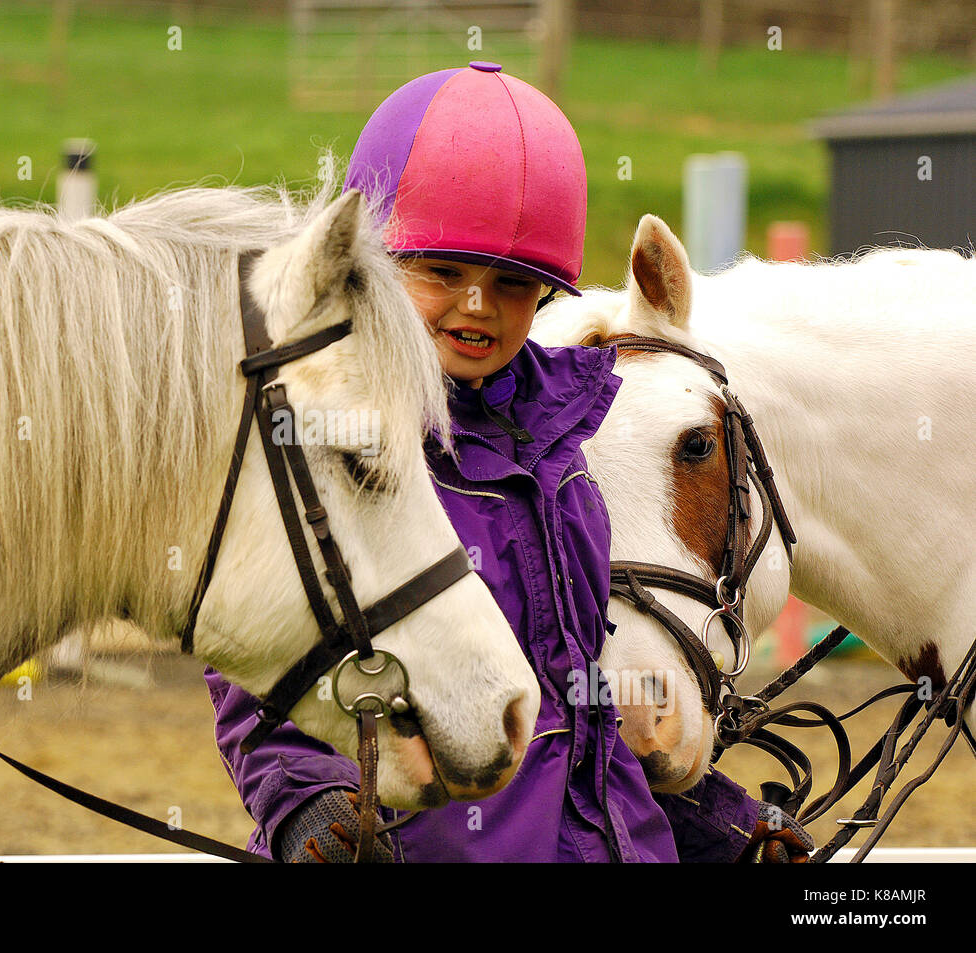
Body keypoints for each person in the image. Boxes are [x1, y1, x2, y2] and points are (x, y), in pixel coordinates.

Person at [204, 62, 813, 862]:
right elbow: (259, 673)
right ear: (375, 268)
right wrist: (309, 807)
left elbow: (585, 704)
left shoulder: (564, 447)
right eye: (444, 273)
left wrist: (718, 828)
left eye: (514, 282)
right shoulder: (331, 445)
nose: (479, 305)